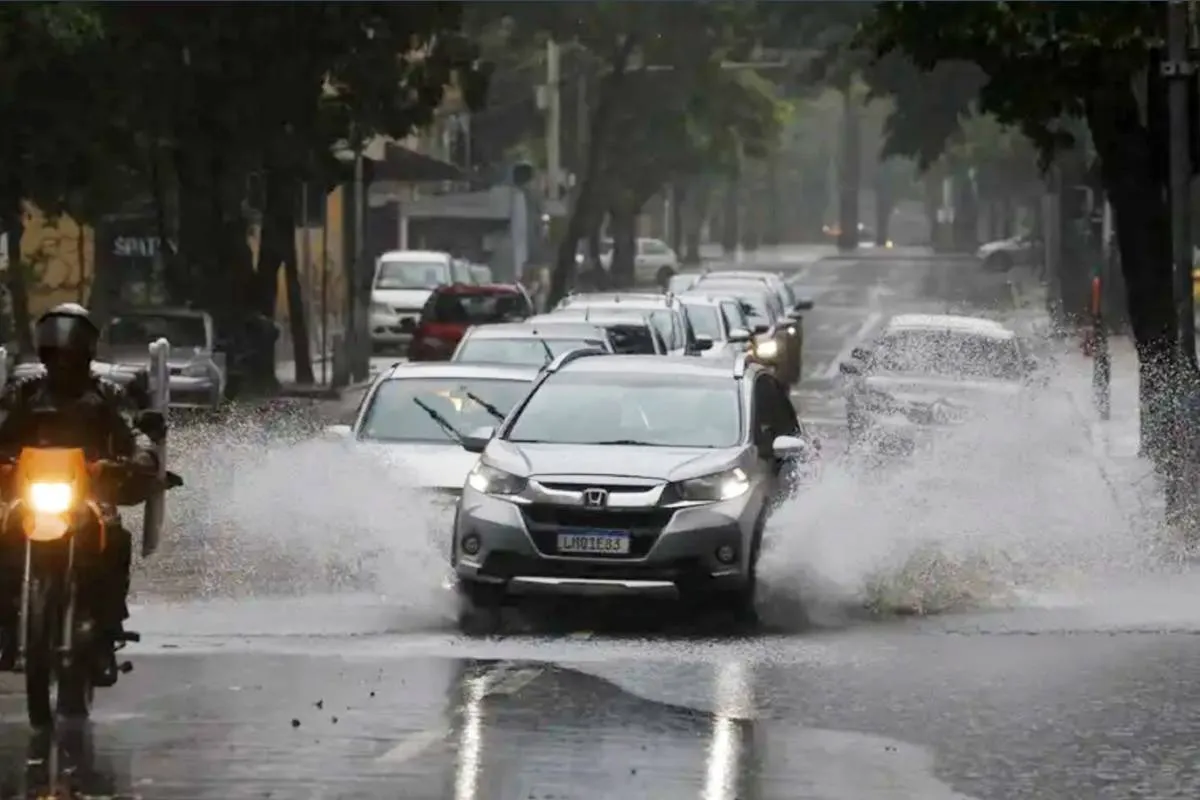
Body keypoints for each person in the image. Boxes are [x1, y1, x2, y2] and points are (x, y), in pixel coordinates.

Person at [0, 303, 164, 686]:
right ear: (44, 353)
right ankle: (7, 625)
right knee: (4, 534)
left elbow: (133, 432)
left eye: (71, 354)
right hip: (31, 494)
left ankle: (106, 632)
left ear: (86, 353)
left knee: (115, 539)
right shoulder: (25, 393)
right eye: (56, 354)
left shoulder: (106, 395)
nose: (64, 362)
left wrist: (138, 457)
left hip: (89, 494)